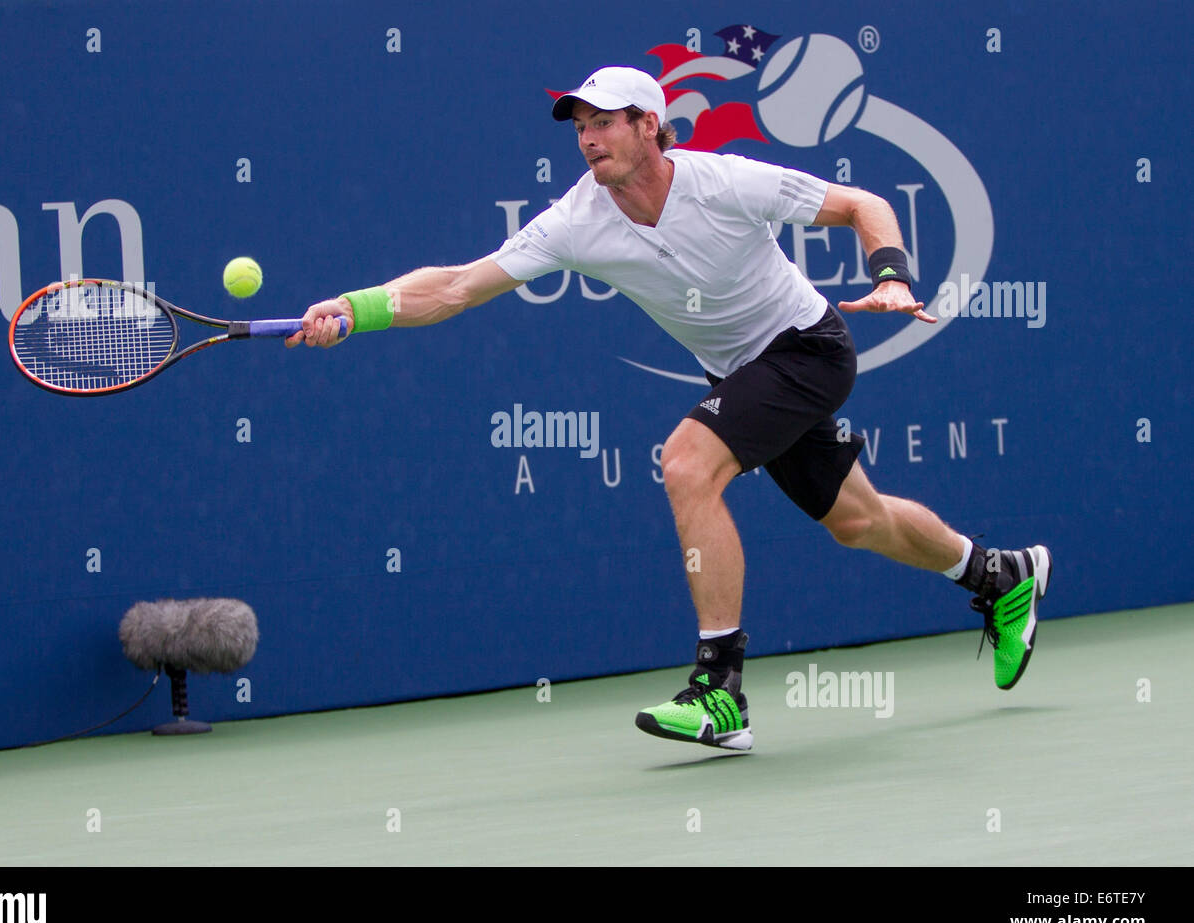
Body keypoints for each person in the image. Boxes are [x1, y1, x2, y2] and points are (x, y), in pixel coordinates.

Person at [287, 66, 1052, 751]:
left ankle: (720, 691)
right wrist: (358, 309)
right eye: (580, 127)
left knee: (687, 462)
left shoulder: (723, 182)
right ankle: (999, 574)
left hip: (806, 348)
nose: (589, 140)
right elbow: (456, 286)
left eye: (605, 122)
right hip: (744, 375)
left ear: (649, 125)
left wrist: (889, 273)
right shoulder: (576, 219)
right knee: (860, 521)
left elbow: (863, 202)